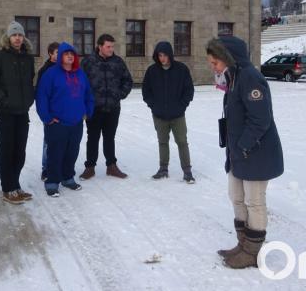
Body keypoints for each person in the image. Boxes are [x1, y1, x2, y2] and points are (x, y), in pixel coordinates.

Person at [206, 36, 284, 269]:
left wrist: (243, 146)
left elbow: (260, 119)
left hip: (256, 152)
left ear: (229, 59)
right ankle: (243, 244)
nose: (213, 67)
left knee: (254, 201)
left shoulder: (250, 77)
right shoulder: (233, 78)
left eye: (215, 63)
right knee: (236, 197)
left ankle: (251, 253)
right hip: (239, 153)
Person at [0, 21, 36, 205]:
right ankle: (8, 188)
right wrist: (4, 99)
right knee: (7, 150)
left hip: (23, 111)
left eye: (20, 35)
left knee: (20, 151)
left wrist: (29, 98)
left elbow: (30, 81)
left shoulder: (28, 58)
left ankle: (15, 184)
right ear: (8, 37)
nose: (17, 38)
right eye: (14, 35)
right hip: (6, 112)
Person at [36, 42, 94, 197]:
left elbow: (88, 94)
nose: (70, 56)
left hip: (76, 122)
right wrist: (46, 117)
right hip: (57, 123)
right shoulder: (51, 74)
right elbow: (42, 97)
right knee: (55, 153)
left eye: (72, 54)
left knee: (72, 152)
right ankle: (52, 182)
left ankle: (68, 178)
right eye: (66, 53)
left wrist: (88, 111)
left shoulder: (80, 73)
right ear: (60, 56)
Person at [79, 34, 133, 179]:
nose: (111, 49)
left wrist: (119, 95)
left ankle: (111, 166)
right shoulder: (88, 62)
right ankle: (90, 167)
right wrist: (86, 102)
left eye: (112, 46)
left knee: (110, 137)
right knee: (93, 138)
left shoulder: (118, 62)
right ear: (100, 46)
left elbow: (128, 80)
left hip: (113, 108)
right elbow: (80, 84)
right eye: (108, 46)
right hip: (94, 108)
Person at [141, 41, 195, 183]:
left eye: (165, 55)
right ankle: (163, 168)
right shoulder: (152, 71)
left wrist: (182, 106)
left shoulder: (181, 69)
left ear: (170, 55)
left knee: (182, 142)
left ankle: (187, 171)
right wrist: (153, 105)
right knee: (162, 142)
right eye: (160, 55)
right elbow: (146, 91)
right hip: (159, 115)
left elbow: (189, 90)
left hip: (178, 115)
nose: (162, 58)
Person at [36, 42, 60, 181]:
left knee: (62, 142)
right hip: (51, 113)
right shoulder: (45, 70)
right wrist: (46, 115)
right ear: (50, 54)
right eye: (57, 52)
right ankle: (46, 169)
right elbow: (41, 95)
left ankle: (59, 167)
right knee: (48, 142)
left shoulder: (65, 69)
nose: (60, 55)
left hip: (63, 112)